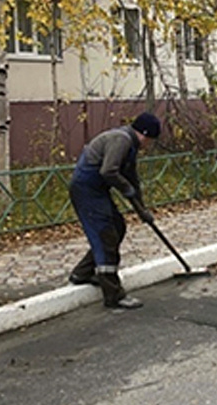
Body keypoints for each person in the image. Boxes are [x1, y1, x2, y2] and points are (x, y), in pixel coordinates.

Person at [68, 112, 160, 309]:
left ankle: (82, 273)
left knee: (118, 226)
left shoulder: (130, 147)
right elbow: (108, 171)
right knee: (106, 235)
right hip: (86, 189)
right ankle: (113, 295)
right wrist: (126, 190)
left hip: (97, 190)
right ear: (144, 134)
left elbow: (132, 180)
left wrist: (141, 209)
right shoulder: (121, 140)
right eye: (151, 141)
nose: (149, 146)